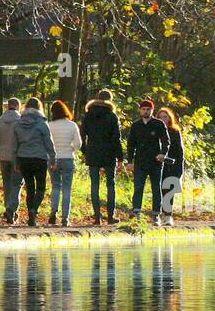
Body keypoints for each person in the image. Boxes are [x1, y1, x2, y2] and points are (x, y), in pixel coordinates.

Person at [81, 89, 124, 225]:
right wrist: (120, 157)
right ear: (110, 100)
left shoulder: (88, 115)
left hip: (93, 152)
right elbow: (116, 138)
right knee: (110, 184)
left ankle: (97, 217)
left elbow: (82, 135)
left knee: (95, 185)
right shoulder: (112, 116)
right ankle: (111, 216)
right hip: (109, 153)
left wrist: (85, 151)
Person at [13, 97, 56, 227]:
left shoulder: (19, 123)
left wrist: (16, 160)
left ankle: (30, 212)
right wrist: (53, 158)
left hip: (23, 157)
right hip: (39, 158)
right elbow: (49, 142)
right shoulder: (42, 123)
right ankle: (33, 211)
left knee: (30, 187)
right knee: (41, 187)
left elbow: (15, 144)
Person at [126, 98, 169, 225]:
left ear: (152, 110)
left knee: (156, 188)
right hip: (140, 162)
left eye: (148, 109)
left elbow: (166, 141)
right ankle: (136, 213)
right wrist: (130, 161)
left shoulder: (159, 124)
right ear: (140, 110)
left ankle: (156, 215)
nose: (145, 111)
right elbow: (130, 144)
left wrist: (163, 154)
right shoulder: (136, 125)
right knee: (138, 188)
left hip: (155, 162)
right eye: (143, 109)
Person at [47, 100, 82, 227]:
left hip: (53, 159)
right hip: (68, 158)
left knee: (55, 186)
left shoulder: (49, 125)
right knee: (67, 189)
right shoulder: (72, 125)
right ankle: (65, 218)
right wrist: (71, 149)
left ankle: (53, 213)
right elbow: (78, 144)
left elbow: (47, 143)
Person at [0, 97, 23, 224]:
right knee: (17, 185)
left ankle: (8, 208)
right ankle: (12, 209)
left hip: (3, 157)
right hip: (17, 157)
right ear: (18, 106)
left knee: (7, 185)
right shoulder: (21, 121)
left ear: (7, 106)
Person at [156, 107, 184, 227]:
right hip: (157, 165)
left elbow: (180, 151)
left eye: (165, 117)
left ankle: (168, 215)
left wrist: (179, 168)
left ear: (169, 118)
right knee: (159, 191)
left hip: (172, 166)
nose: (163, 119)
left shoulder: (175, 131)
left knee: (169, 191)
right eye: (161, 117)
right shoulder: (155, 131)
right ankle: (158, 214)